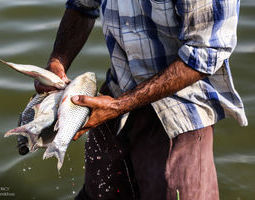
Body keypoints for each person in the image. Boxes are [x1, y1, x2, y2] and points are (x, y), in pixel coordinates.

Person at [35, 0, 248, 199]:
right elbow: (81, 6)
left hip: (178, 112)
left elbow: (206, 53)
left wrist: (119, 106)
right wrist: (58, 60)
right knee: (97, 193)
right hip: (116, 94)